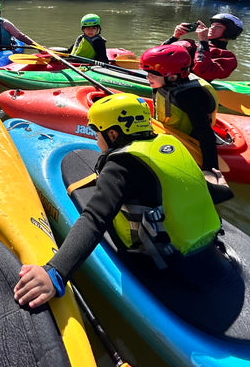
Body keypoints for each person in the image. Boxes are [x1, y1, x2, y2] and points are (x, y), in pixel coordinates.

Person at [13, 93, 223, 308]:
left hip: (162, 261)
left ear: (113, 135)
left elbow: (94, 219)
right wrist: (220, 187)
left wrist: (55, 272)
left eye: (97, 133)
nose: (95, 139)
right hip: (206, 246)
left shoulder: (121, 166)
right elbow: (201, 189)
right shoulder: (170, 144)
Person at [139, 43, 231, 200]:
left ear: (172, 77)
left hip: (190, 142)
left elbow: (205, 133)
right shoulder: (168, 83)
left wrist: (209, 169)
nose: (148, 77)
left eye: (152, 75)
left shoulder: (189, 96)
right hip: (170, 130)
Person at [163, 13, 243, 81]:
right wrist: (175, 37)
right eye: (212, 26)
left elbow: (201, 71)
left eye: (218, 27)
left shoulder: (228, 58)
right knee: (186, 43)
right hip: (164, 78)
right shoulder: (193, 45)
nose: (211, 29)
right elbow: (160, 55)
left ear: (229, 32)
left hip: (190, 89)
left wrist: (203, 41)